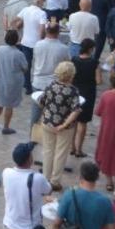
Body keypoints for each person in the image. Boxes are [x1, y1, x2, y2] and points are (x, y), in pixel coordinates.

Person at [39, 61, 82, 190]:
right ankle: (55, 181)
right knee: (60, 154)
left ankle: (45, 178)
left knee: (48, 151)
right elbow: (76, 110)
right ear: (71, 75)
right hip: (64, 127)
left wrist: (46, 113)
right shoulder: (72, 91)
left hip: (48, 122)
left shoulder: (51, 85)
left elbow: (41, 101)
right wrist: (65, 124)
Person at [0, 29, 27, 136]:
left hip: (0, 80)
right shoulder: (19, 54)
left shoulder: (0, 49)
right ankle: (6, 127)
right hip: (12, 82)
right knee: (9, 105)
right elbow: (25, 68)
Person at [71, 38, 101, 157]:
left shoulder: (74, 60)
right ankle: (79, 149)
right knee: (83, 123)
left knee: (72, 120)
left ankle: (71, 147)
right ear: (90, 49)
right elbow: (98, 80)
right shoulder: (94, 62)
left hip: (75, 92)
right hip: (88, 93)